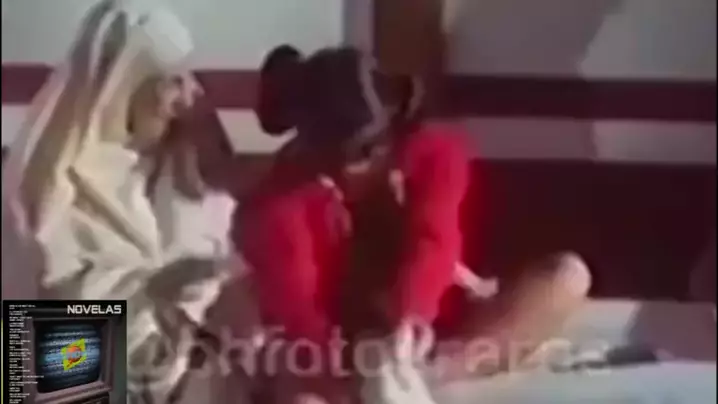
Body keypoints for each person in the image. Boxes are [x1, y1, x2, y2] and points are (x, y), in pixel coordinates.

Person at [236, 45, 592, 403]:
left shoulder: (436, 154)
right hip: (340, 345)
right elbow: (301, 314)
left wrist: (409, 321)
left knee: (567, 276)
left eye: (368, 150)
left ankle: (431, 378)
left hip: (430, 338)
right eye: (339, 156)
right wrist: (344, 375)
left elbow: (435, 239)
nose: (353, 168)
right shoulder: (275, 206)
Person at [1, 2, 250, 403]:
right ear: (124, 84)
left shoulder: (168, 171)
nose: (192, 95)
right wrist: (158, 297)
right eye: (174, 81)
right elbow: (41, 371)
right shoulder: (44, 194)